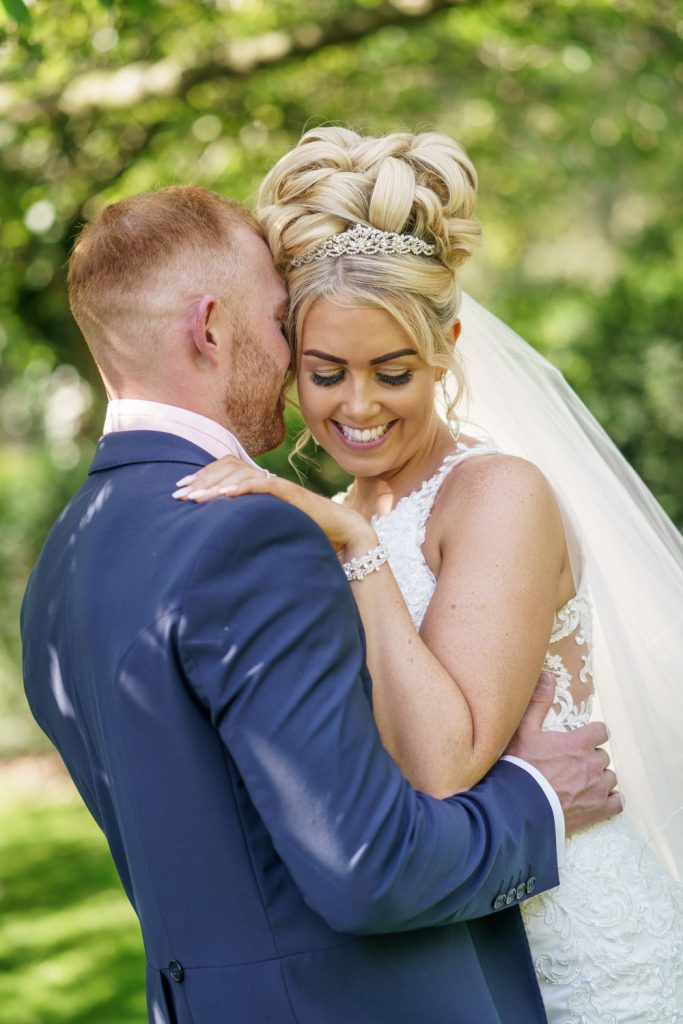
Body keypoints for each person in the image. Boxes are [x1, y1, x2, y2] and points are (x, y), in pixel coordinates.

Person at [20, 184, 620, 1024]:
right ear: (210, 330)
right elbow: (368, 865)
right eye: (285, 329)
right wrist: (538, 797)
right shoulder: (245, 536)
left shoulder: (65, 561)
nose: (299, 365)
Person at [178, 128, 683, 1022]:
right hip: (444, 939)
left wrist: (357, 551)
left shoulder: (496, 493)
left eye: (392, 372)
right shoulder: (337, 512)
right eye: (326, 373)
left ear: (446, 345)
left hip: (575, 942)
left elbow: (442, 765)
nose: (358, 405)